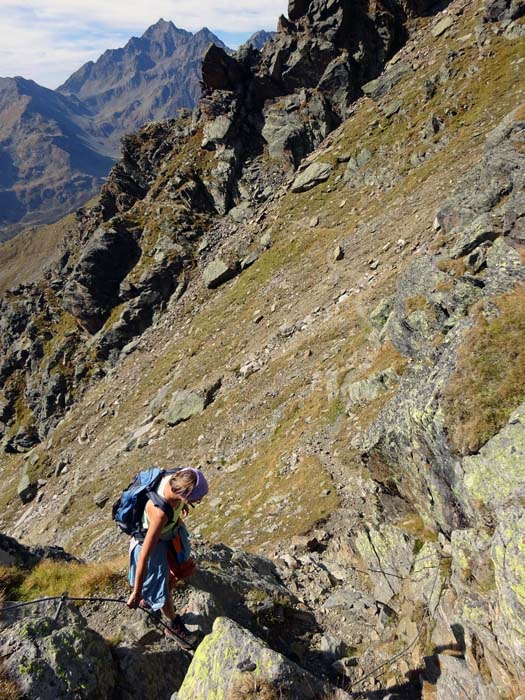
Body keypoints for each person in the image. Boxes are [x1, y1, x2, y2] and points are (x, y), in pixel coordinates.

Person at [126, 467, 209, 648]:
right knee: (159, 585)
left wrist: (183, 505)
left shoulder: (177, 477)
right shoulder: (160, 513)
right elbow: (144, 557)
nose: (201, 500)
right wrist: (136, 591)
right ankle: (172, 624)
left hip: (169, 530)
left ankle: (154, 595)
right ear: (185, 494)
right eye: (197, 498)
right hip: (152, 541)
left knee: (183, 567)